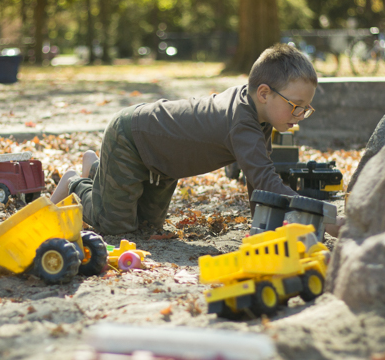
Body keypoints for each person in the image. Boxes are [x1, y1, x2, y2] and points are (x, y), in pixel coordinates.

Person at [51, 43, 317, 235]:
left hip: (162, 163)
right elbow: (268, 184)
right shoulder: (242, 122)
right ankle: (77, 182)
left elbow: (258, 181)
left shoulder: (260, 115)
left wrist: (263, 230)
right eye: (297, 105)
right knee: (115, 227)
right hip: (131, 139)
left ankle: (99, 170)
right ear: (264, 93)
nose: (302, 114)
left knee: (147, 228)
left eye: (306, 108)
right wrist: (321, 220)